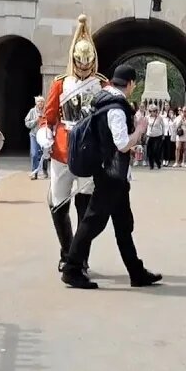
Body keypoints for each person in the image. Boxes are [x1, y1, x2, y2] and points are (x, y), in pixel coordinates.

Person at [60, 64, 162, 290]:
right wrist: (140, 130)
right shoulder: (116, 108)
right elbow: (122, 143)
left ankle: (136, 272)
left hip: (113, 173)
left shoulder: (105, 101)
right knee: (92, 222)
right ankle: (71, 268)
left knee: (123, 225)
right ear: (131, 84)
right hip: (111, 175)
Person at [40, 15, 106, 272]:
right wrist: (45, 132)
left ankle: (81, 256)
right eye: (80, 63)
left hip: (90, 151)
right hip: (63, 149)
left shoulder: (101, 83)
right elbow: (49, 116)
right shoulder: (60, 83)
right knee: (58, 203)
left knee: (86, 208)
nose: (83, 68)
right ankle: (66, 251)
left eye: (87, 63)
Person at [26, 95, 45, 180]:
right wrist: (35, 121)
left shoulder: (46, 111)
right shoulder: (32, 111)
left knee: (43, 155)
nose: (40, 103)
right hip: (34, 135)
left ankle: (44, 171)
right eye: (39, 101)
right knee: (34, 154)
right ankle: (34, 172)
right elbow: (27, 123)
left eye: (42, 101)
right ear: (36, 103)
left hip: (44, 136)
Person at [145, 104, 167, 170]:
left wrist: (163, 134)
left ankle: (158, 162)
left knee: (155, 151)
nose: (152, 112)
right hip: (150, 136)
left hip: (158, 136)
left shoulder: (159, 118)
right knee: (149, 151)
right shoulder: (147, 117)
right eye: (151, 111)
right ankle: (151, 165)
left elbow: (163, 126)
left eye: (154, 111)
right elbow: (145, 126)